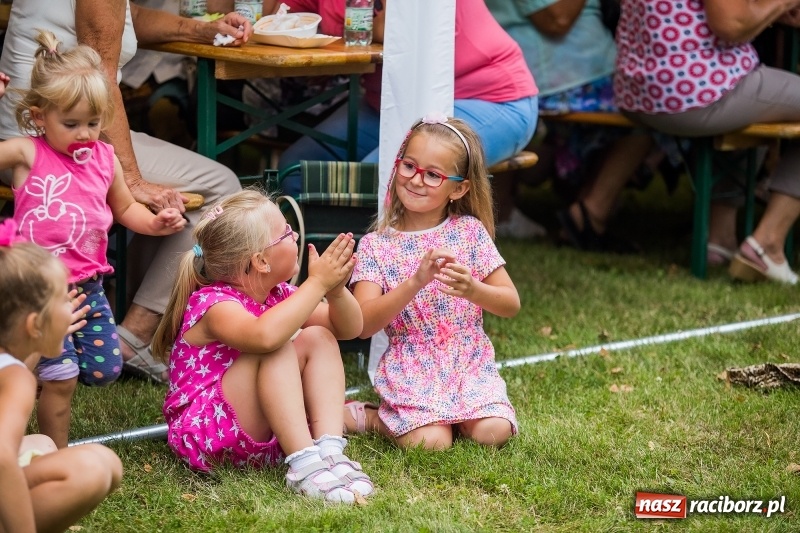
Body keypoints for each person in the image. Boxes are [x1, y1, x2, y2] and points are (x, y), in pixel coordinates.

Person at [0, 0, 253, 384]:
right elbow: (102, 65)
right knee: (220, 187)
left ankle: (111, 328)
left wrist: (200, 29)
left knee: (162, 199)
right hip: (45, 133)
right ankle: (135, 335)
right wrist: (131, 177)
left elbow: (126, 20)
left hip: (65, 119)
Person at [0, 31, 187, 448]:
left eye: (93, 122)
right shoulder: (27, 154)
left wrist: (156, 223)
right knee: (62, 379)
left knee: (105, 368)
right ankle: (54, 452)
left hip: (87, 286)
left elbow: (125, 209)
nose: (85, 133)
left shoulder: (105, 158)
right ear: (38, 117)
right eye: (71, 124)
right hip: (37, 290)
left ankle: (31, 377)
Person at [151, 190, 374, 503]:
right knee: (277, 345)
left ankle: (329, 451)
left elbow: (349, 328)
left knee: (318, 337)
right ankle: (304, 465)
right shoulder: (214, 303)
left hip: (258, 427)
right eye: (285, 231)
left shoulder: (279, 293)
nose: (295, 234)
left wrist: (335, 292)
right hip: (208, 432)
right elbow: (264, 337)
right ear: (260, 261)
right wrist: (316, 284)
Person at [263, 0, 541, 238]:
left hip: (491, 98)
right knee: (296, 169)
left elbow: (409, 29)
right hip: (389, 100)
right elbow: (274, 20)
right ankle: (303, 268)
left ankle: (373, 284)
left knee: (382, 177)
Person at [345, 113, 521, 450]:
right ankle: (372, 417)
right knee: (431, 443)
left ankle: (456, 415)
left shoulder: (469, 232)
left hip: (468, 360)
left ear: (458, 188)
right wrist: (415, 282)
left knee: (494, 431)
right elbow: (363, 324)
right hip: (412, 364)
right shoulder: (376, 246)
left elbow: (510, 303)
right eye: (409, 166)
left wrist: (474, 289)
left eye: (433, 174)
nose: (416, 180)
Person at [615, 0, 800, 283]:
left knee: (760, 108)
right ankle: (768, 243)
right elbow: (731, 25)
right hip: (691, 91)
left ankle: (720, 238)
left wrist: (771, 11)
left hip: (639, 90)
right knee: (757, 96)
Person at [486, 0, 658, 252]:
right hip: (555, 74)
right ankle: (591, 211)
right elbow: (557, 19)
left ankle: (574, 187)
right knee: (651, 104)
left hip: (553, 71)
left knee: (654, 96)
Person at [0, 219, 123, 533]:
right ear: (33, 325)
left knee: (42, 442)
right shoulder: (17, 380)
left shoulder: (11, 363)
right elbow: (2, 460)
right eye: (63, 302)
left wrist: (43, 339)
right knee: (95, 467)